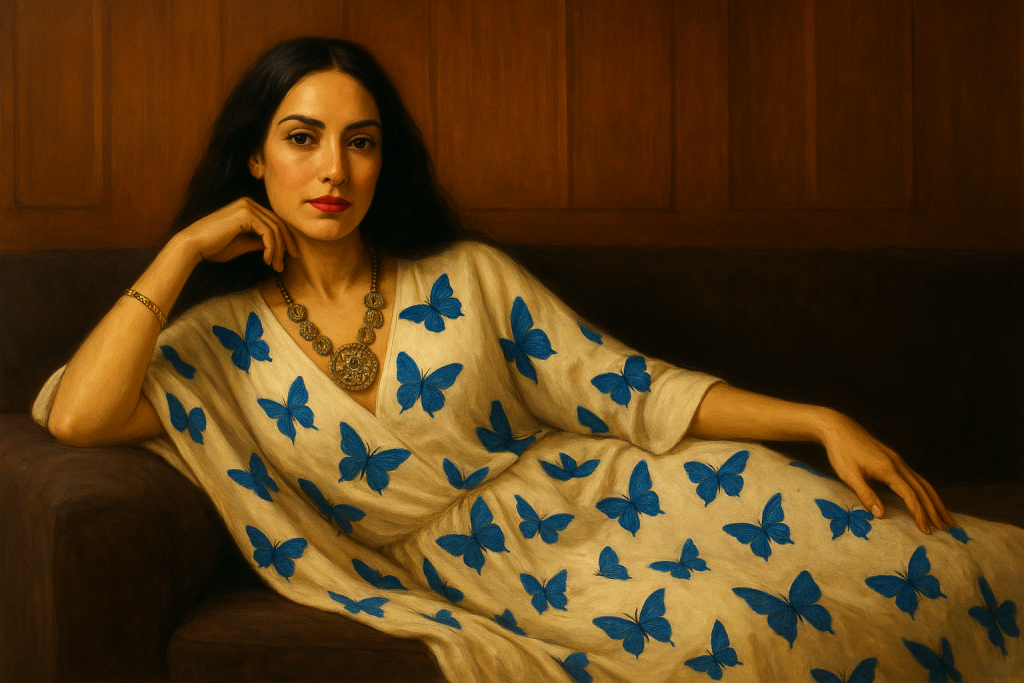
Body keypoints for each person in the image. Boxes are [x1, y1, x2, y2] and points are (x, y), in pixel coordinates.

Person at [35, 37, 1022, 682]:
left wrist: (818, 418)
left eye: (361, 142)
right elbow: (78, 416)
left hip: (638, 492)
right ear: (255, 157)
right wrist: (180, 254)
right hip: (497, 571)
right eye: (302, 139)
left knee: (940, 566)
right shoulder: (212, 347)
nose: (334, 170)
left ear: (387, 159)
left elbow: (628, 387)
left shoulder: (468, 276)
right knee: (735, 642)